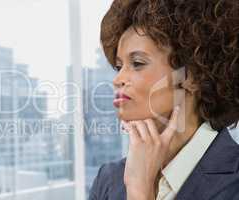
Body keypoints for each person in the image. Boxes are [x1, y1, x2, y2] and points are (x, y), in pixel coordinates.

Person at [89, 0, 239, 199]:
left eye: (137, 63)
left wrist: (140, 191)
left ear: (191, 76)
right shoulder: (109, 180)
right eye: (118, 66)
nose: (118, 80)